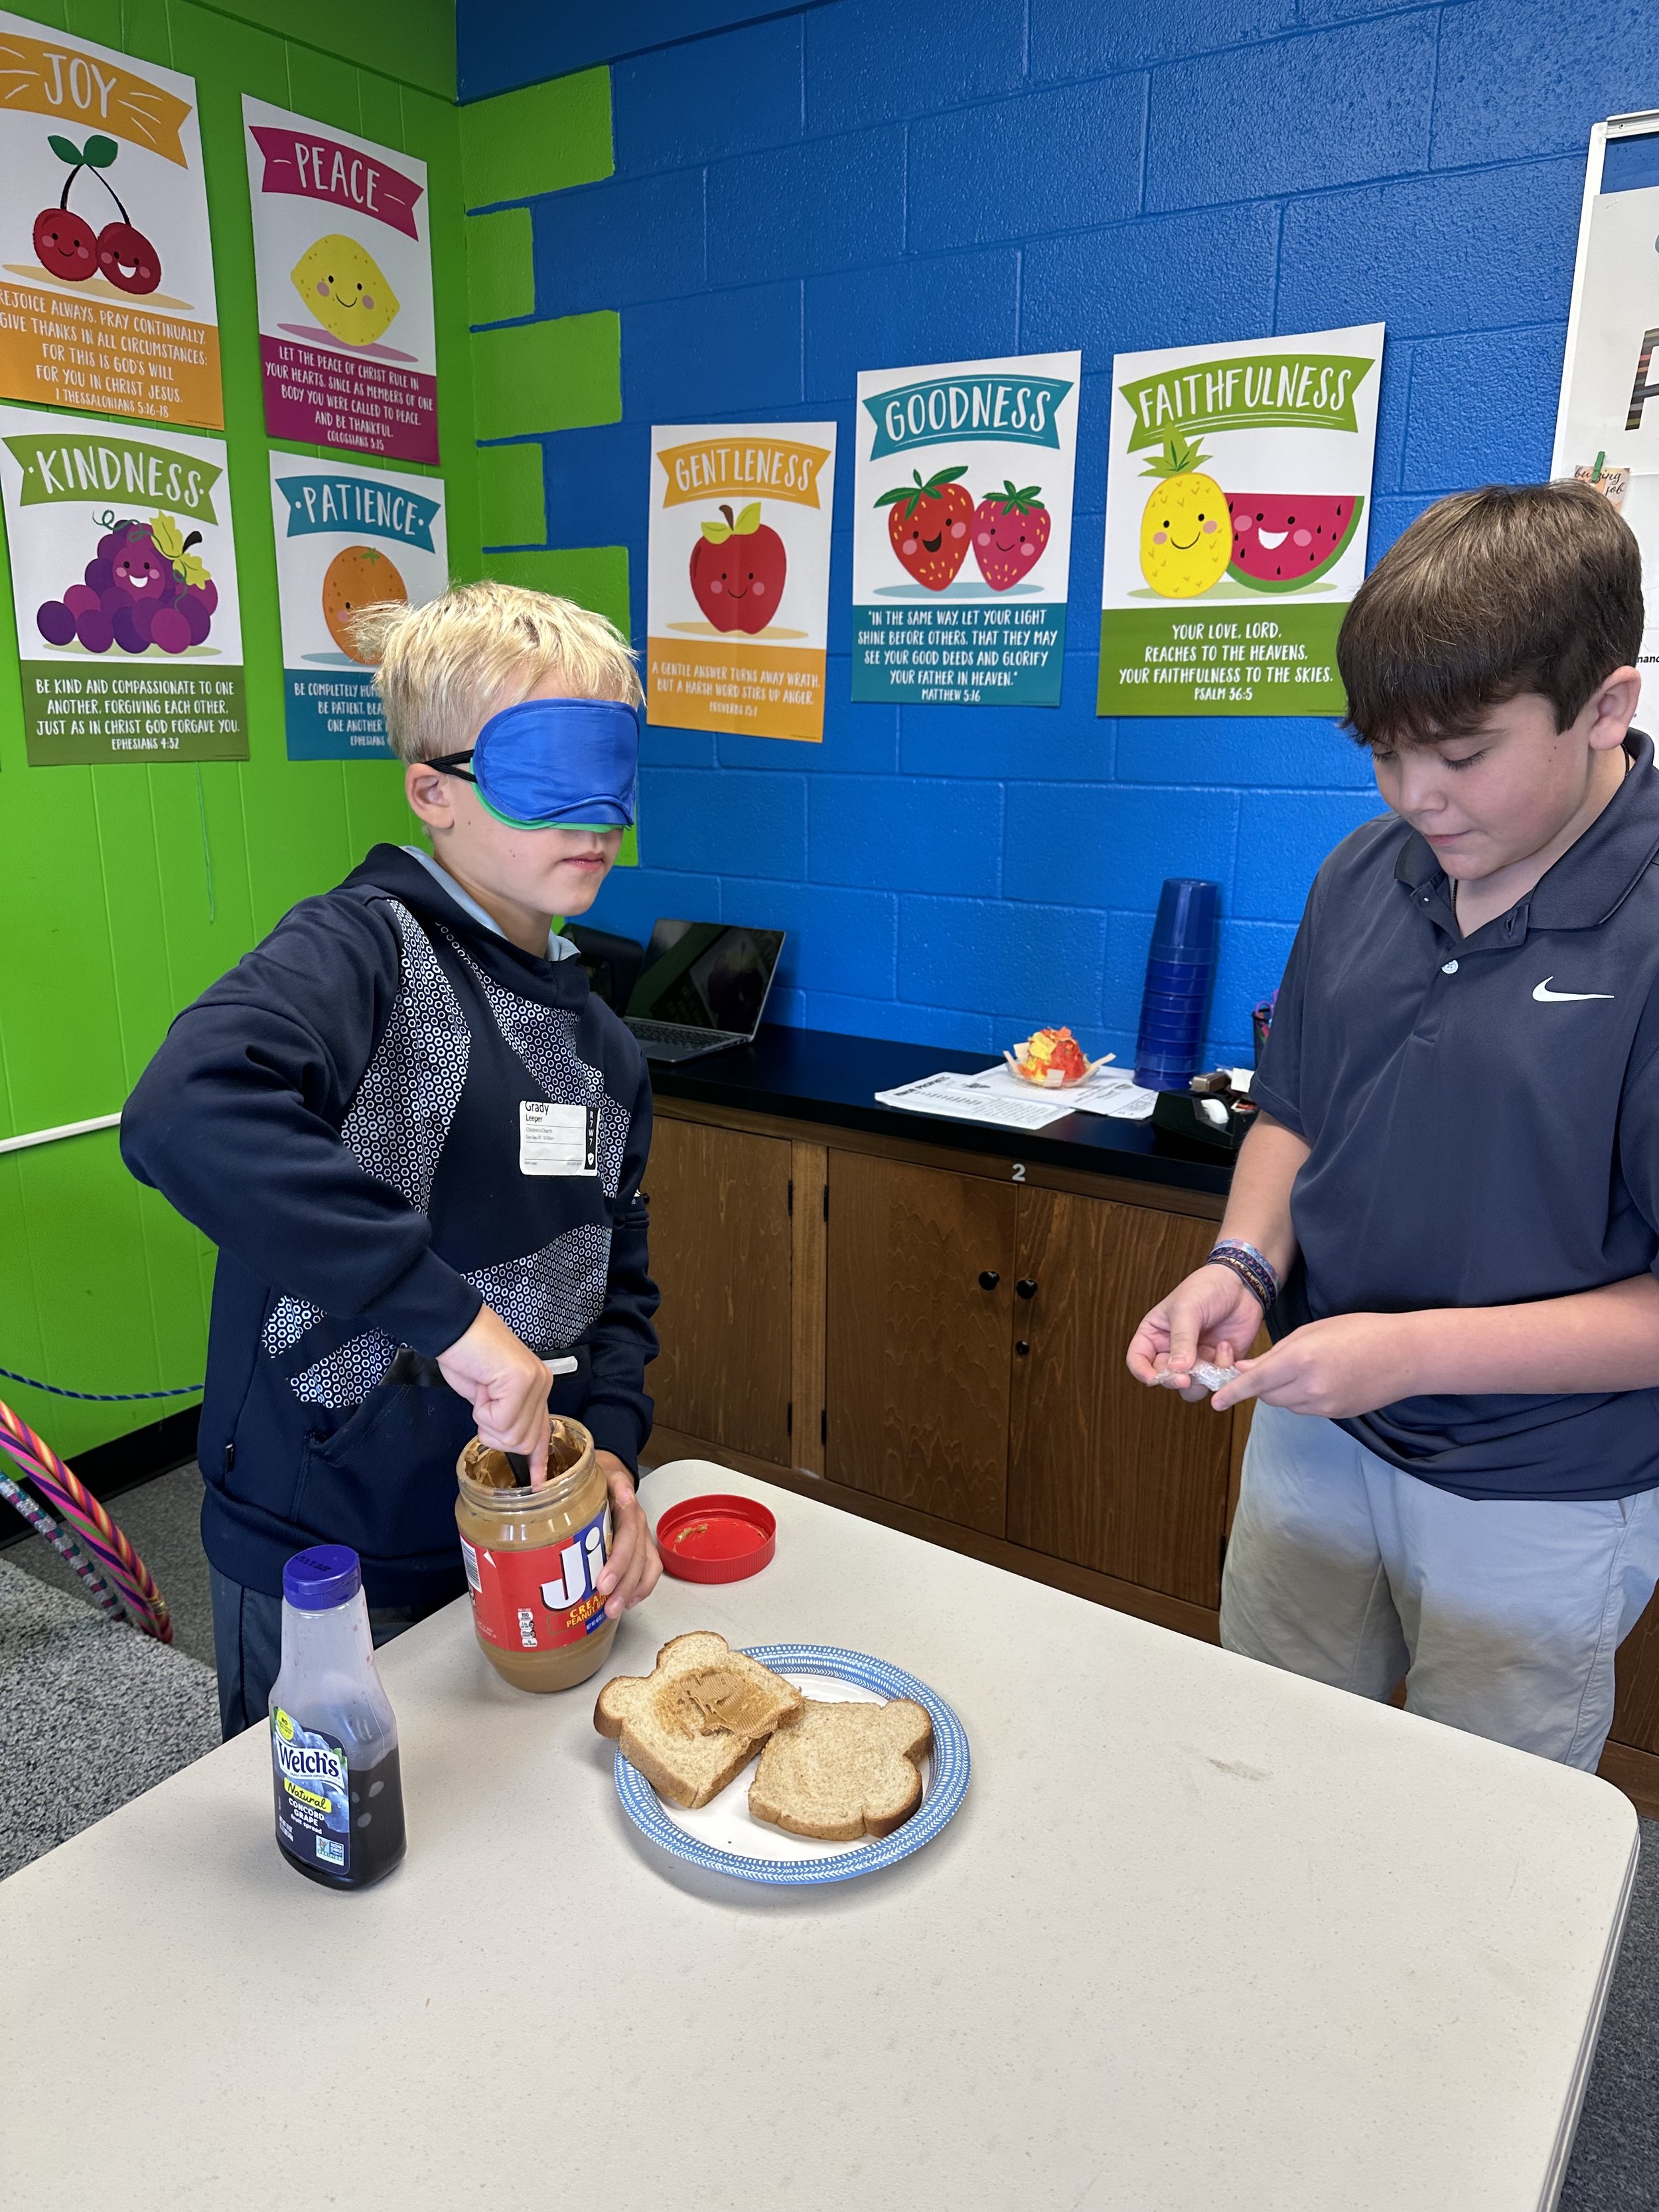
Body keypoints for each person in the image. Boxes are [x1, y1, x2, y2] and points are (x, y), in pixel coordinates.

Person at [1127, 482, 1659, 1772]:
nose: (1417, 795)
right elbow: (1295, 1107)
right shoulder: (1362, 871)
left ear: (1605, 705)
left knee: (1481, 1828)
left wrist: (1409, 1351)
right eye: (1382, 752)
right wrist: (1241, 1263)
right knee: (1261, 1762)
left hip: (1539, 1483)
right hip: (1318, 1420)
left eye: (1463, 754)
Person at [123, 581, 662, 1737]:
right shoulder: (360, 951)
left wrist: (611, 1456)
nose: (592, 815)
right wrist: (457, 1323)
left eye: (608, 767)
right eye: (542, 771)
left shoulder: (608, 1054)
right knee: (339, 1826)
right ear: (434, 792)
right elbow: (183, 1112)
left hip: (533, 1524)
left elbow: (617, 1281)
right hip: (328, 1556)